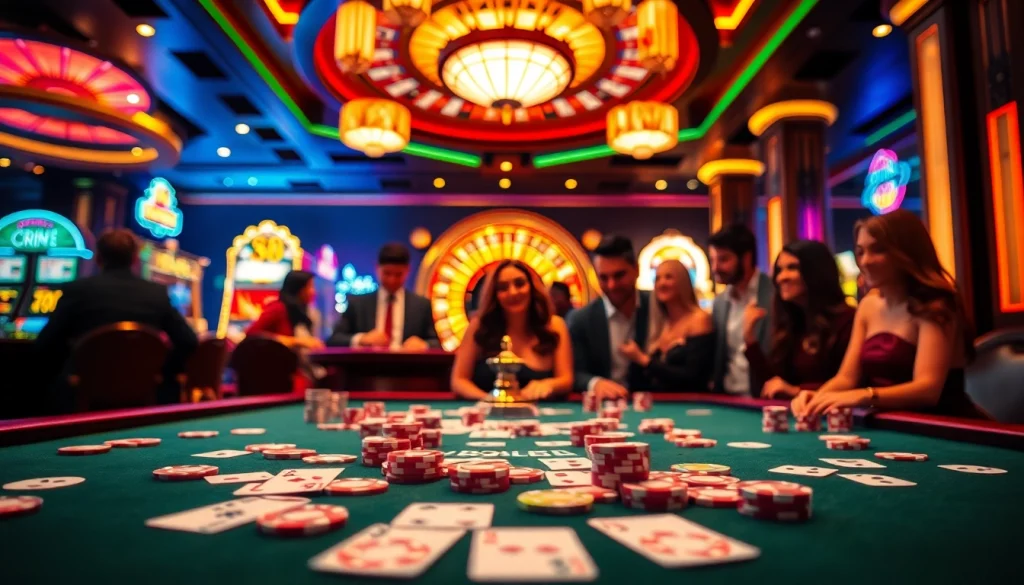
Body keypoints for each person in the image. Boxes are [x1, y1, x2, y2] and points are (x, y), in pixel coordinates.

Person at [791, 210, 980, 418]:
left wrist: (863, 395)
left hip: (945, 424)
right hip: (891, 421)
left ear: (906, 253)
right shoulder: (868, 306)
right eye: (860, 252)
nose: (865, 261)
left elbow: (928, 390)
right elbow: (847, 378)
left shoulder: (936, 306)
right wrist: (816, 398)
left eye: (878, 250)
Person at [35, 228, 198, 410]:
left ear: (98, 258)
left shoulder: (77, 290)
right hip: (142, 396)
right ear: (135, 259)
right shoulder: (156, 294)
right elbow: (189, 341)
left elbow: (45, 345)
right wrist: (160, 370)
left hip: (82, 396)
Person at [745, 240, 856, 399]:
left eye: (792, 268)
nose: (781, 277)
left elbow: (850, 382)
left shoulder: (847, 320)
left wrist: (797, 391)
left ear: (816, 271)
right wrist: (750, 340)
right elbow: (773, 386)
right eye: (779, 270)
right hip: (797, 412)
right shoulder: (794, 322)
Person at [450, 260, 573, 401]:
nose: (512, 292)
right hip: (488, 411)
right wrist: (490, 400)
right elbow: (459, 381)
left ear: (532, 287)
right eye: (503, 288)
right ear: (494, 294)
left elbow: (566, 380)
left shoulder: (554, 325)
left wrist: (548, 384)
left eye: (519, 284)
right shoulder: (479, 325)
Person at [569, 235, 651, 399]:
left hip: (655, 404)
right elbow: (574, 373)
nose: (612, 285)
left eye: (619, 275)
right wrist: (595, 383)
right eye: (603, 278)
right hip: (604, 406)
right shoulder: (580, 319)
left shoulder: (658, 306)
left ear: (637, 270)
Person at [619, 259, 714, 390]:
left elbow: (693, 376)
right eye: (657, 278)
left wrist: (643, 360)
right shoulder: (661, 322)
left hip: (690, 400)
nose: (661, 283)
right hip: (658, 400)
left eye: (668, 277)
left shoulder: (699, 319)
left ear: (683, 282)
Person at [327, 243, 438, 350]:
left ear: (408, 270)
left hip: (407, 362)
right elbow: (333, 340)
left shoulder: (421, 305)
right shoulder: (357, 304)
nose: (392, 280)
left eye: (398, 274)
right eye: (387, 273)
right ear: (377, 268)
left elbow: (437, 343)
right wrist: (362, 339)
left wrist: (424, 345)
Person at [708, 223, 774, 395]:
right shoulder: (720, 303)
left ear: (746, 258)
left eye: (723, 259)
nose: (715, 268)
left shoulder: (775, 295)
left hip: (763, 398)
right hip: (727, 400)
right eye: (712, 260)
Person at [244, 270, 326, 392]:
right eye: (310, 287)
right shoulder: (278, 308)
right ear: (299, 289)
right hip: (274, 377)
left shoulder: (301, 312)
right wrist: (296, 341)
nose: (313, 292)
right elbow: (251, 335)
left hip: (291, 372)